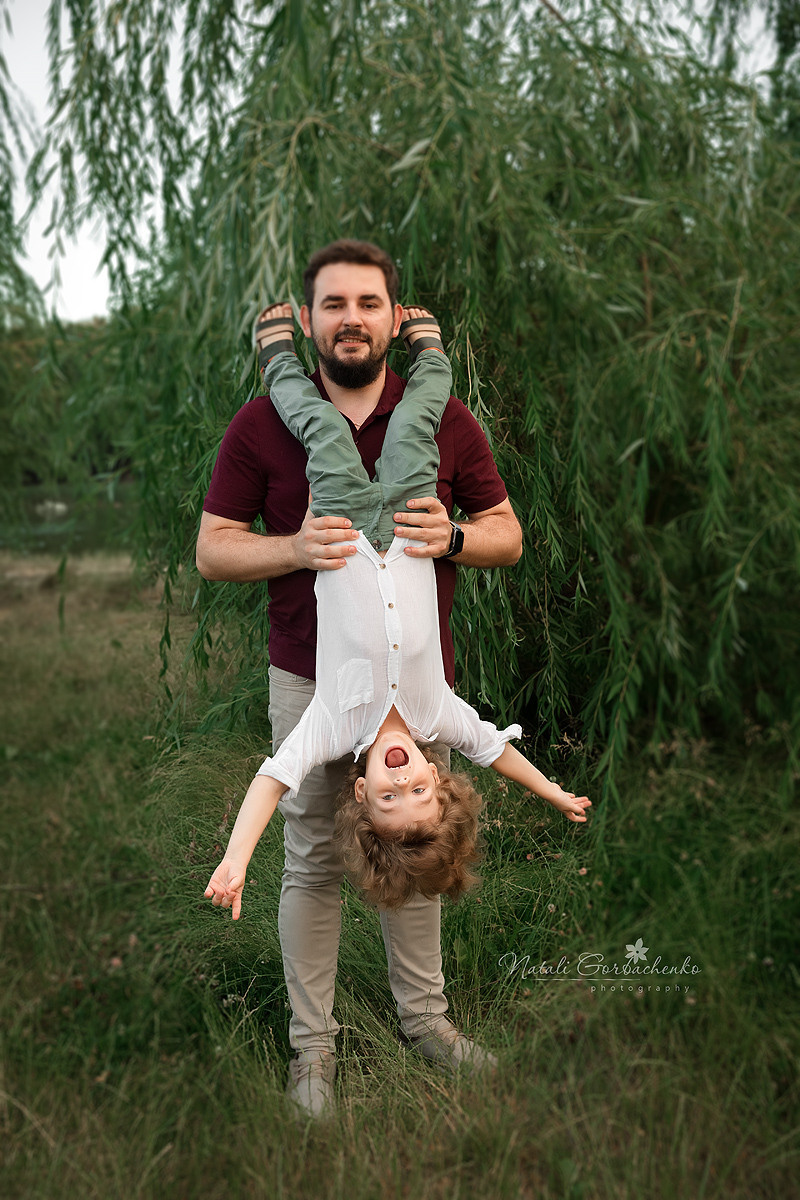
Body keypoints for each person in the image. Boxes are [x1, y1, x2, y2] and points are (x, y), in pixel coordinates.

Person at [196, 240, 525, 1118]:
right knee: (310, 860)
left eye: (368, 303)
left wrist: (452, 537)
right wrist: (294, 549)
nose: (351, 319)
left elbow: (507, 533)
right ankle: (315, 1056)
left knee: (411, 852)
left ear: (391, 315)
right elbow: (212, 551)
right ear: (309, 322)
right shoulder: (260, 423)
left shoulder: (442, 421)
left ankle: (426, 1023)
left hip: (409, 693)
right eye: (333, 304)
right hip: (308, 683)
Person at [205, 308, 590, 924]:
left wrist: (237, 858)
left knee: (318, 425)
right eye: (420, 791)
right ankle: (431, 348)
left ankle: (277, 353)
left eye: (390, 797)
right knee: (417, 416)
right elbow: (495, 752)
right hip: (411, 524)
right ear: (438, 780)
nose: (403, 779)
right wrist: (553, 793)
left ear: (361, 795)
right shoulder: (437, 714)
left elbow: (273, 780)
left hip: (343, 524)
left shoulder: (331, 722)